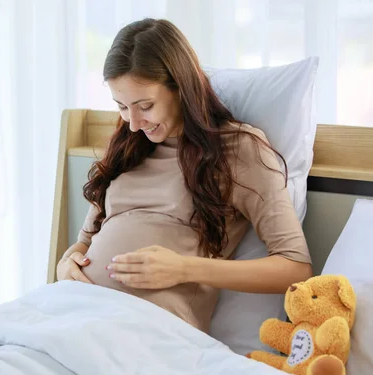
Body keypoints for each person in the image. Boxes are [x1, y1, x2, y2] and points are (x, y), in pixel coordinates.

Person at [56, 18, 312, 334]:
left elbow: (295, 268)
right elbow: (83, 244)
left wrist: (183, 269)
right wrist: (65, 264)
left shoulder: (239, 149)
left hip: (149, 332)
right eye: (121, 107)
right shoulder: (127, 148)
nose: (133, 123)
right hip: (75, 312)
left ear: (180, 87)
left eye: (145, 105)